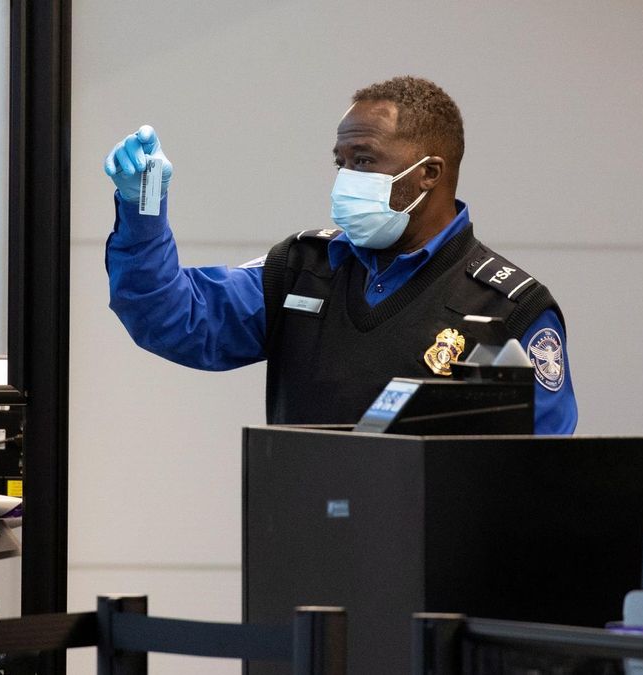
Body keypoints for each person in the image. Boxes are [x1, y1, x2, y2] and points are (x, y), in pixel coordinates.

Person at [103, 76, 576, 434]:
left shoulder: (506, 308)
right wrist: (142, 208)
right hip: (300, 547)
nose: (346, 178)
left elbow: (533, 473)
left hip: (426, 558)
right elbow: (168, 317)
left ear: (429, 173)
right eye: (341, 162)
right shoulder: (305, 268)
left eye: (365, 161)